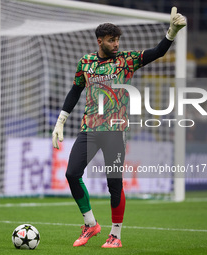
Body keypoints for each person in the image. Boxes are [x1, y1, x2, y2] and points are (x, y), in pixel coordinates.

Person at [52, 7, 186, 248]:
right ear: (100, 41)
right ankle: (90, 224)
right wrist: (61, 120)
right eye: (111, 40)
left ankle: (116, 235)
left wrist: (172, 32)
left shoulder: (126, 60)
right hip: (89, 129)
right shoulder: (86, 62)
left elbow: (157, 52)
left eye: (117, 40)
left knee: (114, 183)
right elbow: (75, 91)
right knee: (72, 173)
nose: (116, 44)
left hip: (115, 132)